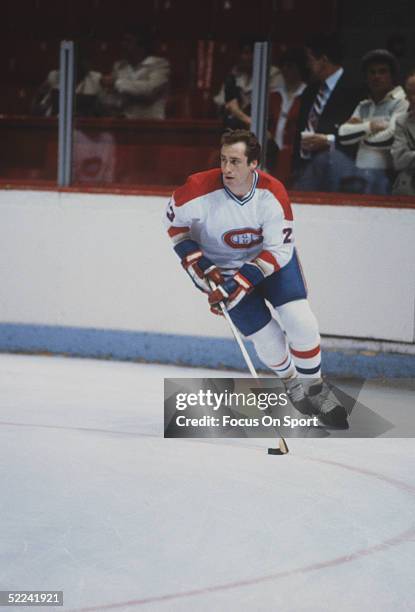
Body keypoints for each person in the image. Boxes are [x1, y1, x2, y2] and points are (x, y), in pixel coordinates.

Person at [164, 129, 348, 428]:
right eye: (223, 160)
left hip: (271, 262)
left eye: (235, 161)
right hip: (222, 270)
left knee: (301, 322)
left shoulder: (272, 194)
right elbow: (175, 229)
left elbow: (279, 248)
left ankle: (315, 388)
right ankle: (290, 383)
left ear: (254, 164)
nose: (226, 169)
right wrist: (198, 265)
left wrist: (245, 278)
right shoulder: (195, 189)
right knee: (267, 339)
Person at [293, 33, 362, 192]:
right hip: (305, 171)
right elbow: (299, 133)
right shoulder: (310, 92)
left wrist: (330, 141)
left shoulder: (356, 89)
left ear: (323, 60)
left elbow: (359, 133)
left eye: (310, 59)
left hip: (338, 174)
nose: (307, 65)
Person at [338, 49, 408, 195]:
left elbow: (392, 137)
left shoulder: (402, 102)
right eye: (372, 72)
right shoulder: (363, 105)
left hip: (387, 178)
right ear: (366, 77)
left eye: (383, 72)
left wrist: (359, 135)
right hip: (359, 176)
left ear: (392, 76)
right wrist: (370, 126)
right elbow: (343, 135)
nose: (377, 76)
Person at [100, 31, 170, 119]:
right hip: (122, 123)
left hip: (151, 124)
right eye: (123, 41)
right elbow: (109, 99)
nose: (123, 44)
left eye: (128, 41)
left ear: (141, 46)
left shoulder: (159, 64)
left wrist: (116, 83)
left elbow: (150, 90)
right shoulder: (119, 66)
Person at [213, 41, 283, 130]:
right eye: (242, 53)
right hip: (238, 128)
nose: (244, 57)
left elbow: (273, 106)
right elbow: (222, 101)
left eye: (248, 53)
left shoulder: (272, 73)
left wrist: (239, 112)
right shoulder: (235, 73)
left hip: (264, 127)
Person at [268, 48, 307, 183]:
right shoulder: (273, 95)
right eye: (283, 66)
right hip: (270, 156)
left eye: (290, 66)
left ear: (299, 69)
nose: (285, 70)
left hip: (293, 157)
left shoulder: (307, 95)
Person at [32, 53, 103, 117]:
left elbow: (101, 107)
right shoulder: (54, 76)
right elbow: (39, 100)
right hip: (57, 121)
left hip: (84, 122)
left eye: (85, 63)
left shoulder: (96, 78)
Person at [391, 70, 415, 195]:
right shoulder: (402, 121)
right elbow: (399, 160)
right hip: (408, 191)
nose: (410, 98)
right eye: (409, 93)